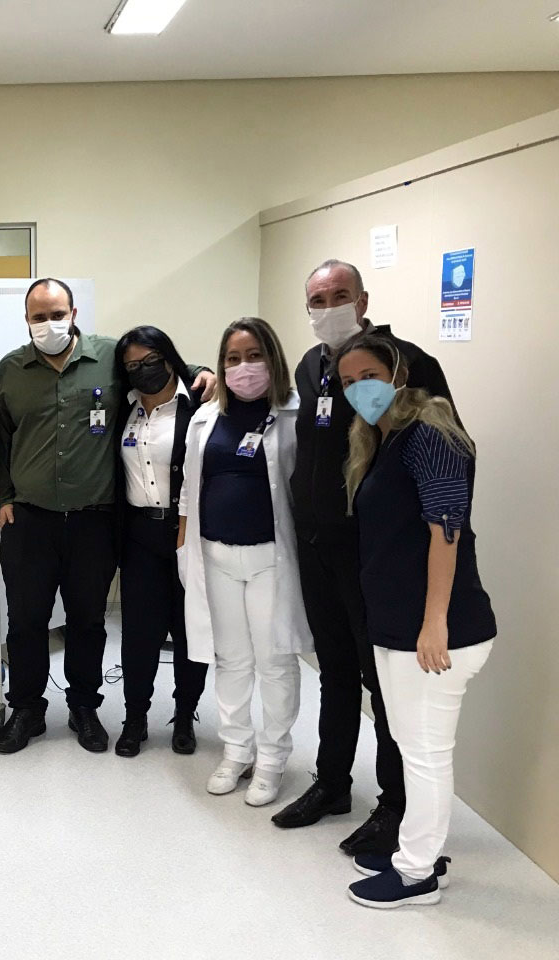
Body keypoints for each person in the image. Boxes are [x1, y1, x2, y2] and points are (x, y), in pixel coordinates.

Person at [273, 260, 456, 858]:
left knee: (383, 684)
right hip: (316, 543)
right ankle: (331, 783)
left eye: (340, 295)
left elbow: (441, 451)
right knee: (333, 669)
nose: (329, 307)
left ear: (363, 300)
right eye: (317, 299)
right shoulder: (310, 365)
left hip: (369, 550)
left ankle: (395, 805)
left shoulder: (407, 363)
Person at [0, 278, 215, 755]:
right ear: (26, 320)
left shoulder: (109, 358)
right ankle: (27, 708)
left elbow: (159, 366)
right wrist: (4, 497)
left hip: (93, 522)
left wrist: (204, 372)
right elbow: (0, 439)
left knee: (88, 621)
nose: (49, 324)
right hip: (29, 520)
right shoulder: (9, 370)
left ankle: (83, 706)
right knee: (26, 622)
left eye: (57, 314)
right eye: (38, 317)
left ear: (73, 314)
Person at [335, 333, 495, 908]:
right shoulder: (382, 440)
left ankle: (416, 875)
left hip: (437, 632)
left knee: (426, 753)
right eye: (348, 382)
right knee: (410, 744)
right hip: (398, 626)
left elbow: (445, 531)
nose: (360, 389)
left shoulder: (431, 433)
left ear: (400, 373)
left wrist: (434, 623)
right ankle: (419, 850)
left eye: (369, 376)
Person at [177, 317, 311, 807]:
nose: (243, 367)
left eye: (254, 356)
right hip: (215, 556)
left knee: (274, 661)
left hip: (271, 559)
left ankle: (272, 759)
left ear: (273, 358)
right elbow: (190, 487)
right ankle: (236, 750)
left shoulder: (294, 415)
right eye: (232, 358)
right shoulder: (205, 418)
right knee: (230, 659)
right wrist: (184, 544)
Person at [112, 325, 208, 757]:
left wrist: (204, 372)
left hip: (187, 533)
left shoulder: (198, 405)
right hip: (139, 535)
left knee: (189, 632)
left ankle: (185, 717)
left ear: (168, 358)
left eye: (150, 361)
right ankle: (135, 718)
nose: (142, 370)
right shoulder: (123, 407)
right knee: (139, 634)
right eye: (132, 365)